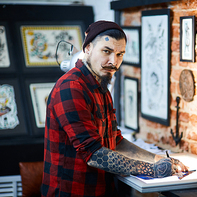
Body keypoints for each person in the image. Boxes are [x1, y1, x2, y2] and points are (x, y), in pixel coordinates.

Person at [41, 20, 188, 197]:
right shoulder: (71, 88)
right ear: (87, 49)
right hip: (71, 192)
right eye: (106, 51)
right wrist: (153, 169)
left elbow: (115, 140)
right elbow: (94, 153)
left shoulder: (100, 86)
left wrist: (158, 159)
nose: (114, 62)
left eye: (120, 54)